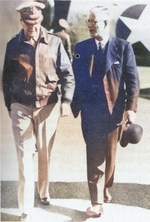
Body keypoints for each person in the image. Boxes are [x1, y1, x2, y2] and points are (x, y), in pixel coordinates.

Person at [2, 0, 75, 221]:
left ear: (41, 19)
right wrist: (11, 105)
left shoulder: (55, 42)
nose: (32, 26)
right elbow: (6, 79)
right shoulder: (13, 45)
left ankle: (43, 192)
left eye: (35, 22)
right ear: (21, 21)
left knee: (44, 153)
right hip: (21, 107)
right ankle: (26, 208)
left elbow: (67, 75)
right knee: (24, 157)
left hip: (48, 106)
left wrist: (66, 101)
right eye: (27, 22)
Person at [71, 6, 140, 218]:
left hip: (114, 112)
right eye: (89, 21)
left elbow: (132, 79)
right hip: (90, 111)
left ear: (105, 24)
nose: (90, 25)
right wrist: (69, 103)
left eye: (94, 21)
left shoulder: (123, 47)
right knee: (93, 155)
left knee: (110, 156)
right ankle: (96, 201)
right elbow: (74, 79)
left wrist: (131, 108)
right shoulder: (81, 47)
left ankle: (105, 186)